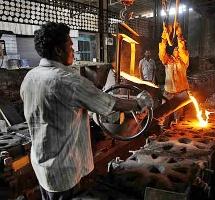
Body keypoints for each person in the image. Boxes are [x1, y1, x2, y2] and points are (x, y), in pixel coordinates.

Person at [20, 22, 153, 200]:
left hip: (41, 163)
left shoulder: (30, 76)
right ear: (59, 50)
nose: (73, 48)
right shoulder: (67, 80)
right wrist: (138, 102)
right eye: (70, 44)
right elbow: (110, 103)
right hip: (65, 170)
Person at [159, 22, 190, 123]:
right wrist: (164, 38)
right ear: (172, 51)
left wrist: (179, 35)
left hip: (179, 93)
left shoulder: (184, 61)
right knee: (164, 115)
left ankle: (176, 128)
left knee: (178, 115)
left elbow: (182, 49)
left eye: (178, 48)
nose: (177, 49)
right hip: (168, 92)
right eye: (175, 48)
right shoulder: (168, 61)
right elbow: (162, 54)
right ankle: (163, 130)